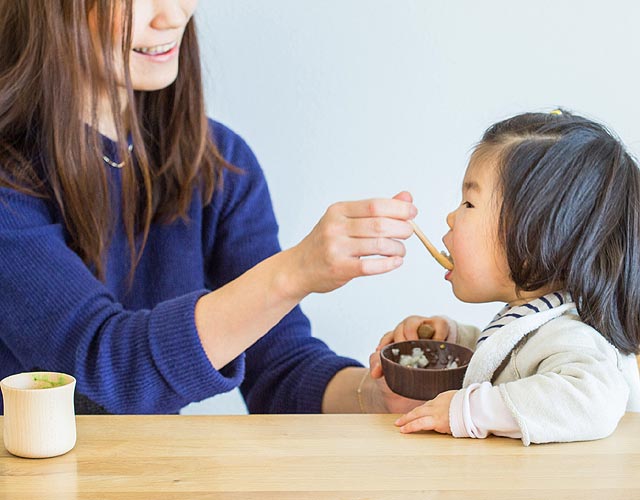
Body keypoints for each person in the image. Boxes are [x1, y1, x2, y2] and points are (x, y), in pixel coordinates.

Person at [0, 0, 420, 416]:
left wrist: (375, 394)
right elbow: (106, 369)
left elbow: (279, 365)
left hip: (157, 479)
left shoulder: (220, 163)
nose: (174, 16)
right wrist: (295, 271)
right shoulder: (9, 179)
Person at [370, 110, 640, 445]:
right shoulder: (539, 320)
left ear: (536, 236)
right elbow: (512, 362)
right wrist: (456, 340)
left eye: (469, 203)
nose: (451, 216)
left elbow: (593, 400)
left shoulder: (571, 334)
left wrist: (468, 411)